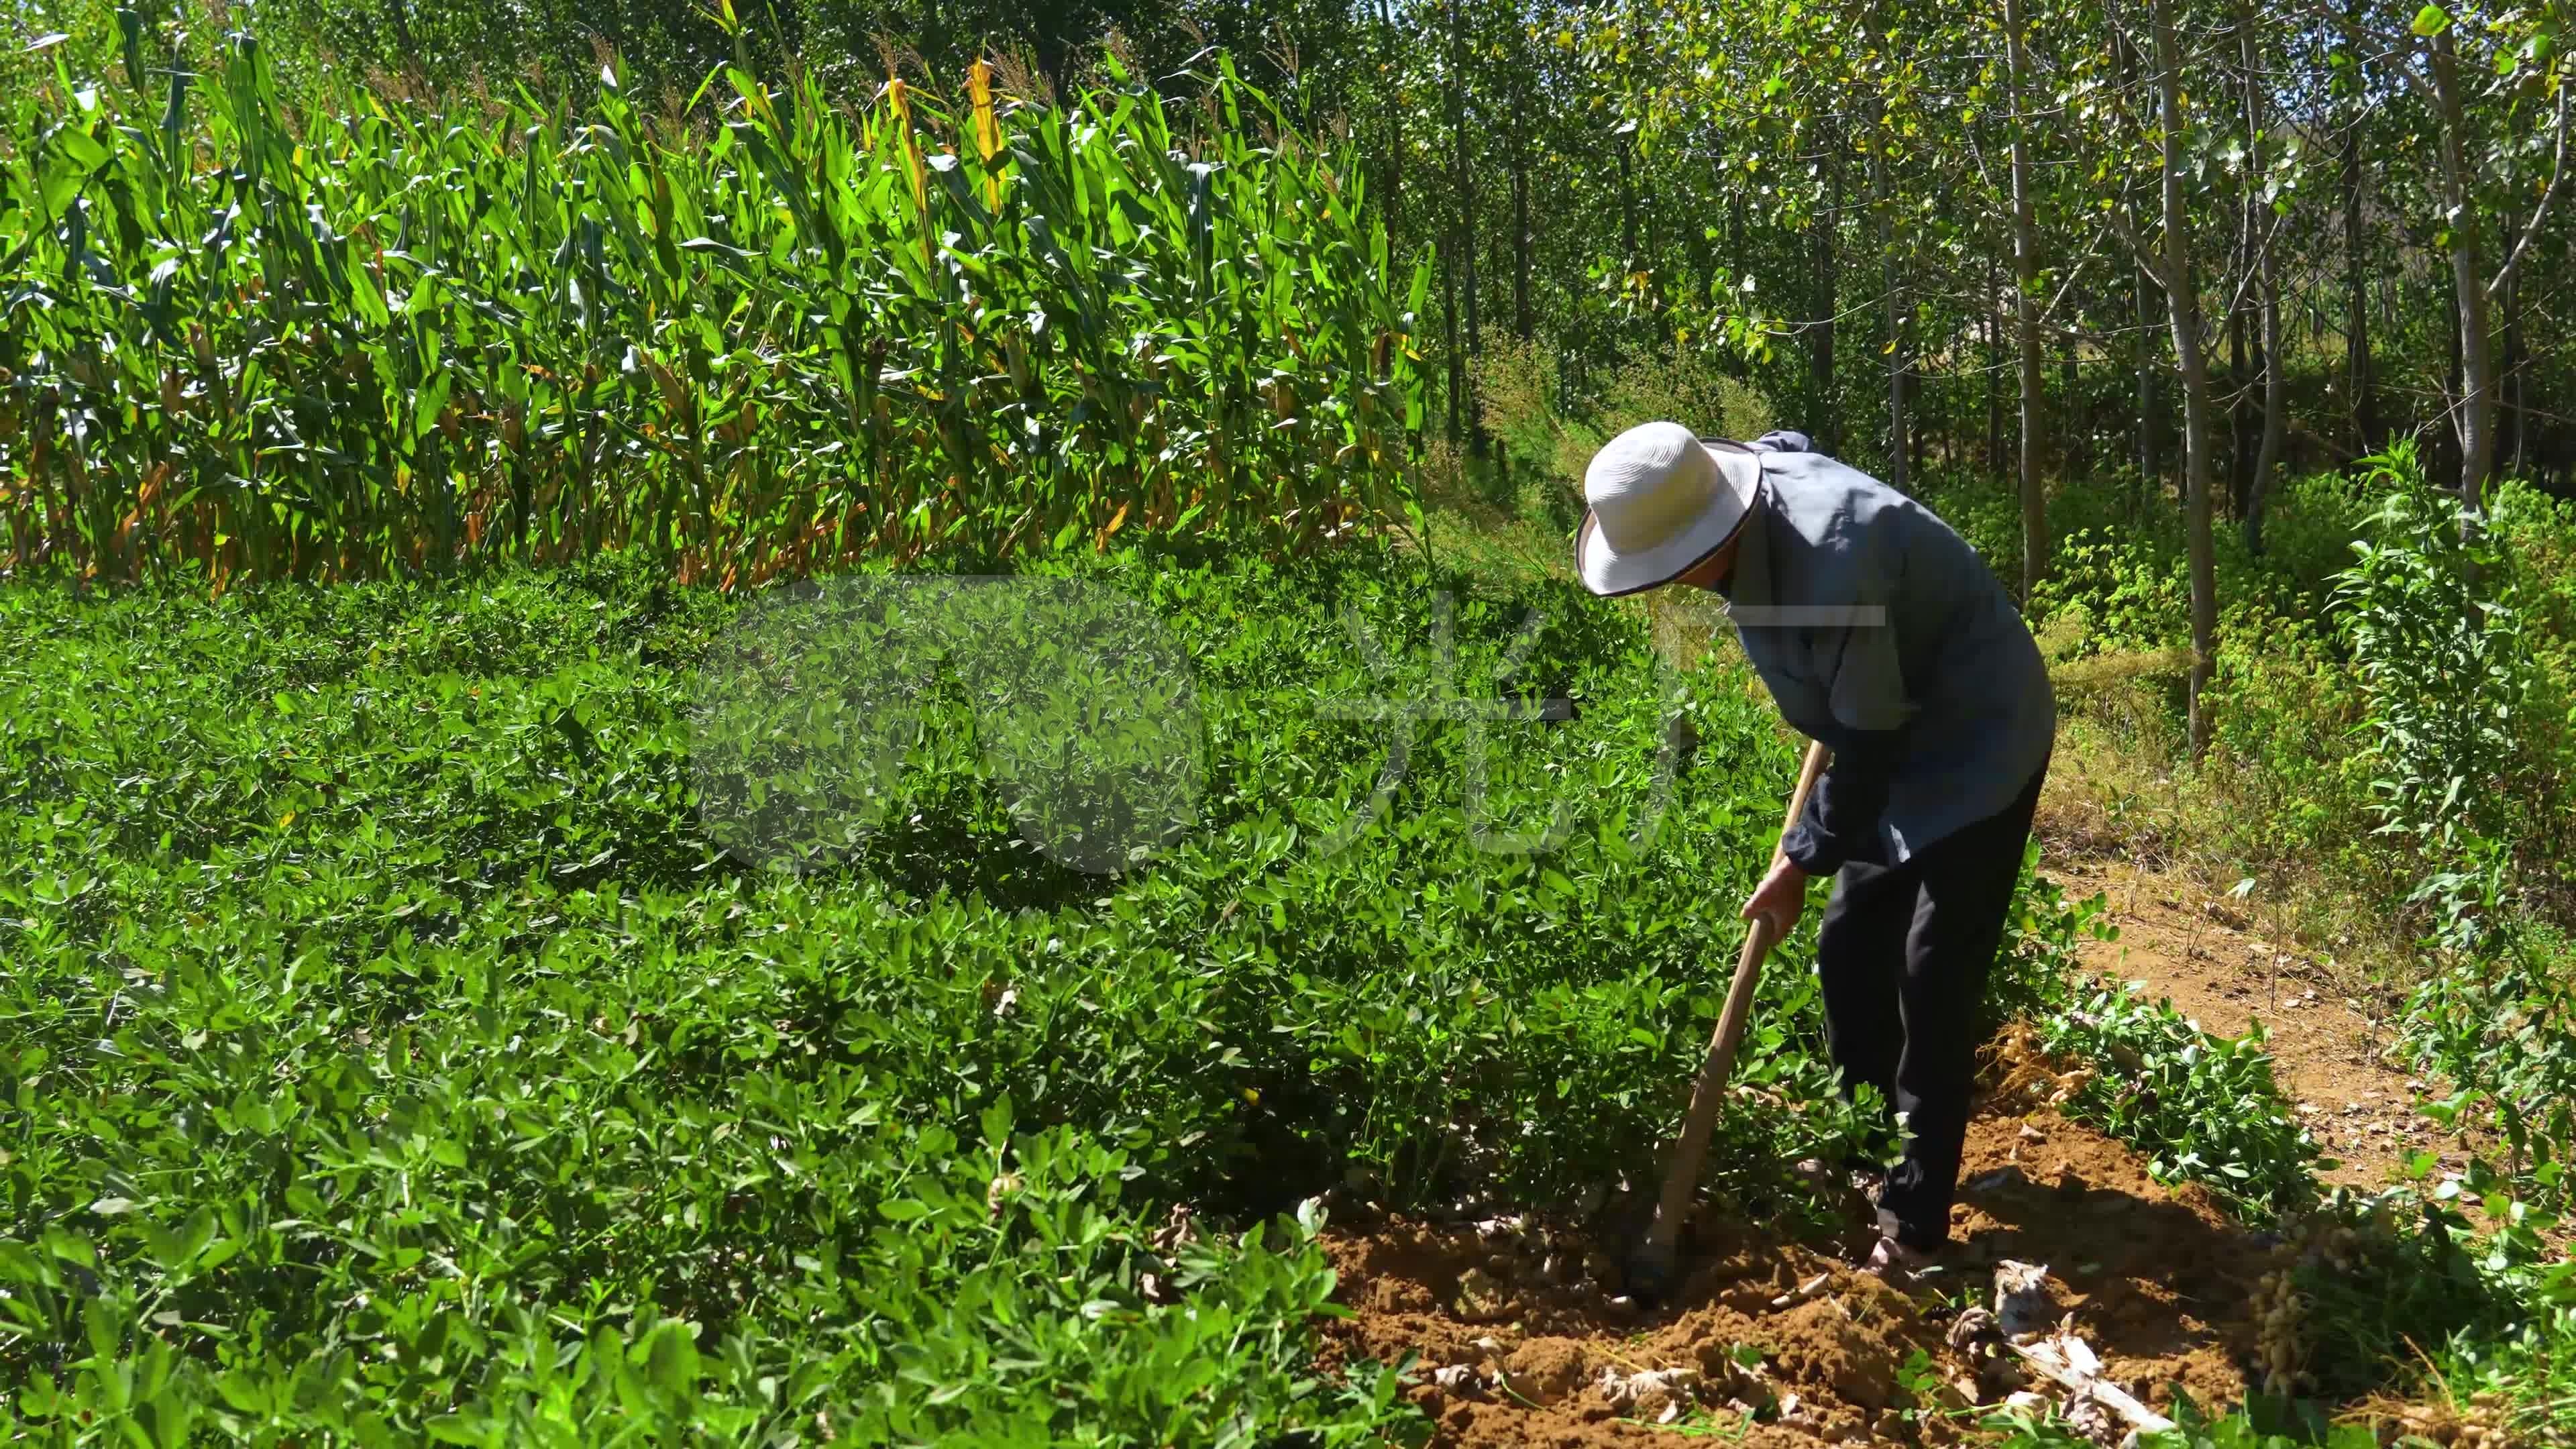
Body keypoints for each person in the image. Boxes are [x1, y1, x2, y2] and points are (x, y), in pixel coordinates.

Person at [1571, 420, 2055, 1279]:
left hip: (1977, 737)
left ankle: (1913, 1222)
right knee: (1846, 947)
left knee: (1930, 975)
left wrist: (1798, 861)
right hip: (1885, 726)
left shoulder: (1832, 574)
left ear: (1702, 541)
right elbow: (1788, 445)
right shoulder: (1755, 495)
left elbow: (1868, 751)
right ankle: (1859, 1142)